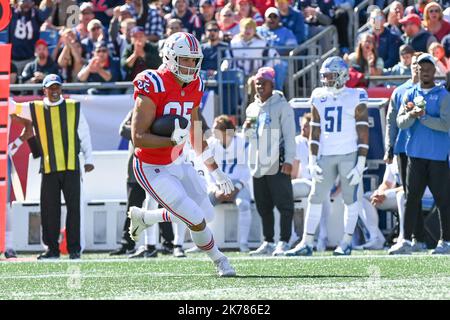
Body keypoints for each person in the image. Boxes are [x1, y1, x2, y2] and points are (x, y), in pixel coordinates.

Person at [127, 32, 236, 277]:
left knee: (207, 213)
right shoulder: (152, 82)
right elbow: (138, 138)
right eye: (184, 59)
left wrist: (215, 171)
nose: (190, 65)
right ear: (169, 57)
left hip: (178, 159)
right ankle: (220, 261)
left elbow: (195, 133)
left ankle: (146, 217)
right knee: (196, 218)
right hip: (150, 165)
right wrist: (170, 139)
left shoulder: (196, 84)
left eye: (193, 60)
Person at [285, 56, 369, 256]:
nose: (327, 80)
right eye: (325, 76)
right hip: (326, 154)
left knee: (350, 198)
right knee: (315, 197)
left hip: (348, 153)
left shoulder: (356, 95)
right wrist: (313, 160)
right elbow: (315, 131)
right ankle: (306, 242)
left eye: (331, 76)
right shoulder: (318, 95)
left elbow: (363, 131)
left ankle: (346, 241)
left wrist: (361, 162)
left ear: (342, 76)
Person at [9, 74, 94, 260]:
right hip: (49, 166)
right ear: (44, 90)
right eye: (51, 88)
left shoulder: (73, 107)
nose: (55, 91)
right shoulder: (35, 108)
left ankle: (74, 249)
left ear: (61, 88)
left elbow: (84, 133)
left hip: (72, 165)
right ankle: (52, 249)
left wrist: (89, 159)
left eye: (57, 87)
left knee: (74, 209)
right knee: (49, 210)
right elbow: (11, 106)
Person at [390, 53, 450, 255]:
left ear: (434, 71)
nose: (424, 72)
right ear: (416, 70)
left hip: (438, 156)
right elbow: (400, 122)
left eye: (428, 68)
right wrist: (411, 115)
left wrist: (423, 118)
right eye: (421, 68)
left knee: (442, 199)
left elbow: (445, 124)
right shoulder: (409, 94)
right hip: (415, 154)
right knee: (411, 198)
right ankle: (406, 240)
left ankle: (446, 241)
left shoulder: (443, 96)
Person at [244, 67, 296, 257]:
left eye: (263, 83)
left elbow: (290, 135)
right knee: (263, 205)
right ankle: (268, 241)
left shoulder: (282, 105)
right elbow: (249, 137)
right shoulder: (252, 107)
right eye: (257, 83)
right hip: (258, 162)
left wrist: (289, 159)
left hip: (277, 160)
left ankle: (284, 241)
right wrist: (246, 129)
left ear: (272, 85)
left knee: (284, 204)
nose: (259, 86)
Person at [384, 51, 428, 251]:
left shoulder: (435, 91)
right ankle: (414, 238)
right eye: (414, 64)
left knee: (430, 193)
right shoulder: (400, 91)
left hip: (428, 150)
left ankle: (422, 237)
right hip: (404, 149)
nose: (416, 68)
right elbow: (390, 121)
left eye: (420, 64)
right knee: (411, 194)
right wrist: (389, 147)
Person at [206, 115, 252, 252]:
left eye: (216, 129)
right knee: (203, 206)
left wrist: (237, 188)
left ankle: (243, 243)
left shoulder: (242, 142)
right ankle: (204, 243)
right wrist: (215, 189)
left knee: (243, 204)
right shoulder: (211, 143)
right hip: (218, 184)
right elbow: (207, 170)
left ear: (226, 131)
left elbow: (249, 169)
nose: (213, 132)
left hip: (238, 183)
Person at [291, 113, 330, 251]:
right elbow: (294, 170)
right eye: (302, 126)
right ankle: (292, 235)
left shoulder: (324, 141)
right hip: (305, 182)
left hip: (323, 181)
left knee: (323, 192)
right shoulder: (298, 141)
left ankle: (323, 237)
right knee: (285, 191)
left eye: (306, 126)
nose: (303, 129)